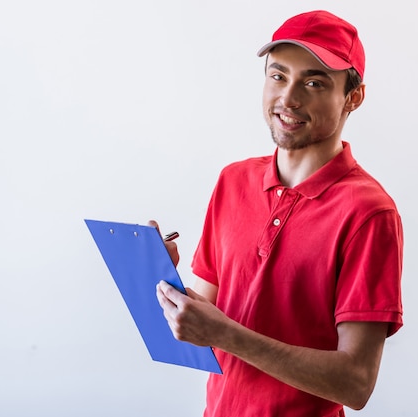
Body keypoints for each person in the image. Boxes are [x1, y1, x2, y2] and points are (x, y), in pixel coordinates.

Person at [154, 10, 403, 417]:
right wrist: (161, 280)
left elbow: (356, 383)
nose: (288, 98)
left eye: (313, 82)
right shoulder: (232, 181)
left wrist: (227, 335)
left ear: (353, 98)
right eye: (278, 76)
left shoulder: (369, 214)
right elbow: (208, 326)